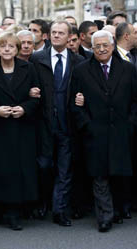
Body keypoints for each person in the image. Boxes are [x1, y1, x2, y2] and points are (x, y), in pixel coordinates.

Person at [70, 30, 137, 232]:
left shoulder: (127, 69)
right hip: (95, 133)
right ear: (92, 48)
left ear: (112, 46)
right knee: (99, 176)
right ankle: (104, 217)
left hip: (121, 132)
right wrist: (87, 125)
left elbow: (135, 100)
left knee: (118, 174)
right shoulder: (82, 70)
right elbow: (74, 104)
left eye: (105, 45)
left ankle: (117, 210)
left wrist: (131, 123)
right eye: (97, 46)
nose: (101, 49)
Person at [0, 31, 40, 230]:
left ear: (17, 49)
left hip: (21, 128)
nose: (7, 49)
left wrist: (24, 108)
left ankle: (14, 213)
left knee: (18, 171)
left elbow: (37, 96)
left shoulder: (28, 68)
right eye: (3, 46)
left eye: (11, 46)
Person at [29, 20, 84, 226]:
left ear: (69, 36)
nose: (57, 36)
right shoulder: (37, 59)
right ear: (48, 35)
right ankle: (43, 201)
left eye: (61, 33)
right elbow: (28, 83)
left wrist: (81, 99)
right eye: (53, 32)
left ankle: (59, 209)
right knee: (43, 165)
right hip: (43, 123)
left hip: (67, 123)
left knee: (65, 168)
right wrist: (31, 92)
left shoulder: (77, 61)